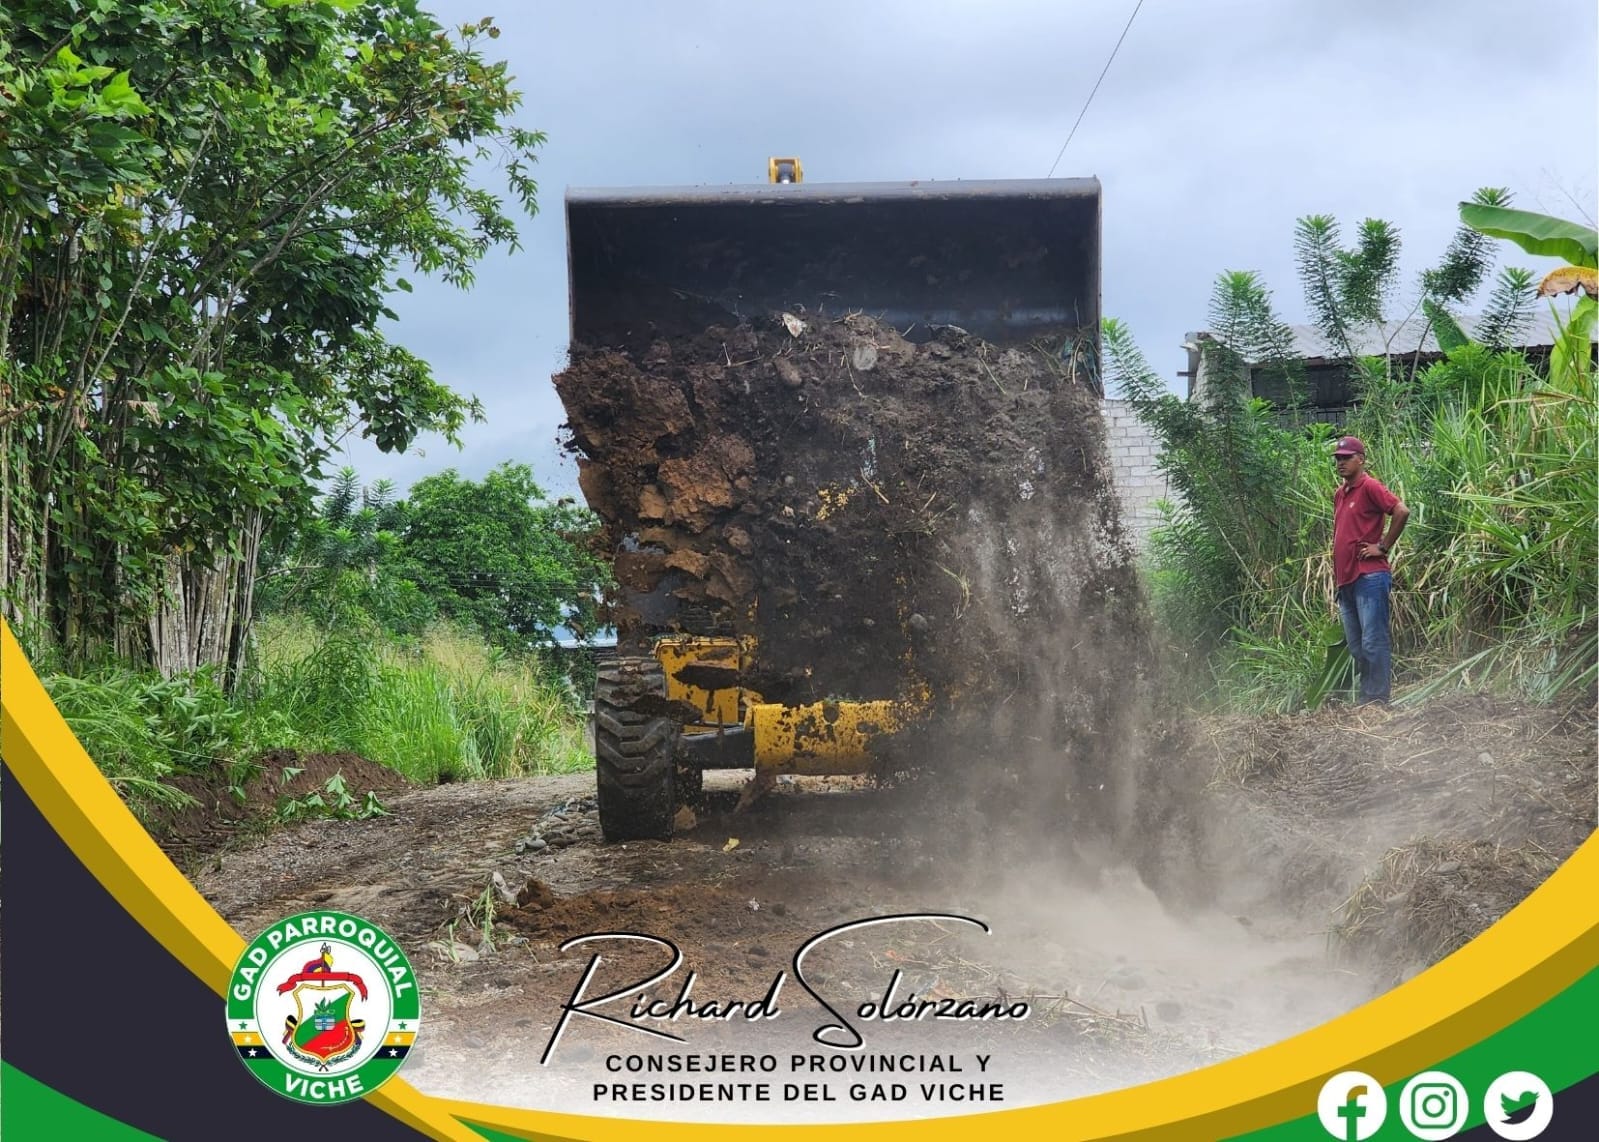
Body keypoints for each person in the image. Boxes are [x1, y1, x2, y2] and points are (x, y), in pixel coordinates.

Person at [1332, 435, 1409, 704]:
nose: (1341, 463)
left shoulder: (1370, 486)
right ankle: (1368, 697)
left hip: (1369, 575)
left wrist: (1383, 546)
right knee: (1356, 646)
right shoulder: (1340, 494)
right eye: (1338, 458)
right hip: (1346, 580)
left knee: (1373, 641)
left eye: (1346, 458)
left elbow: (1401, 511)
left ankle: (1376, 700)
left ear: (1361, 460)